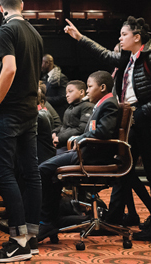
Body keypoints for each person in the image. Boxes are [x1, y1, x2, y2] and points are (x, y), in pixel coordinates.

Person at [63, 16, 151, 242]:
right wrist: (80, 38)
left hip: (150, 122)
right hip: (136, 121)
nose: (120, 38)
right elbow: (105, 54)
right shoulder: (130, 57)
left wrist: (142, 113)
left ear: (137, 38)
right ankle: (115, 218)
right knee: (123, 171)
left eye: (124, 34)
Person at [0, 0, 43, 263]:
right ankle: (30, 239)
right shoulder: (35, 33)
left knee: (3, 173)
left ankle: (17, 242)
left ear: (0, 7)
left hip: (11, 112)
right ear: (22, 3)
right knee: (30, 173)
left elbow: (9, 69)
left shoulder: (5, 30)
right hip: (31, 110)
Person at [37, 71, 120, 241]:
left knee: (43, 169)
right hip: (86, 152)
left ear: (102, 87)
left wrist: (80, 138)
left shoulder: (109, 104)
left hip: (92, 156)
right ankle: (51, 220)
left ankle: (48, 221)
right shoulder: (102, 103)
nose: (87, 90)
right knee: (48, 170)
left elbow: (103, 131)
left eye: (90, 86)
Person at [52, 81, 94, 152]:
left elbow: (82, 129)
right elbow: (64, 126)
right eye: (66, 93)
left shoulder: (87, 106)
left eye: (70, 91)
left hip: (74, 146)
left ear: (81, 92)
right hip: (63, 144)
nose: (67, 95)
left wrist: (60, 138)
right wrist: (55, 132)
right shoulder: (70, 108)